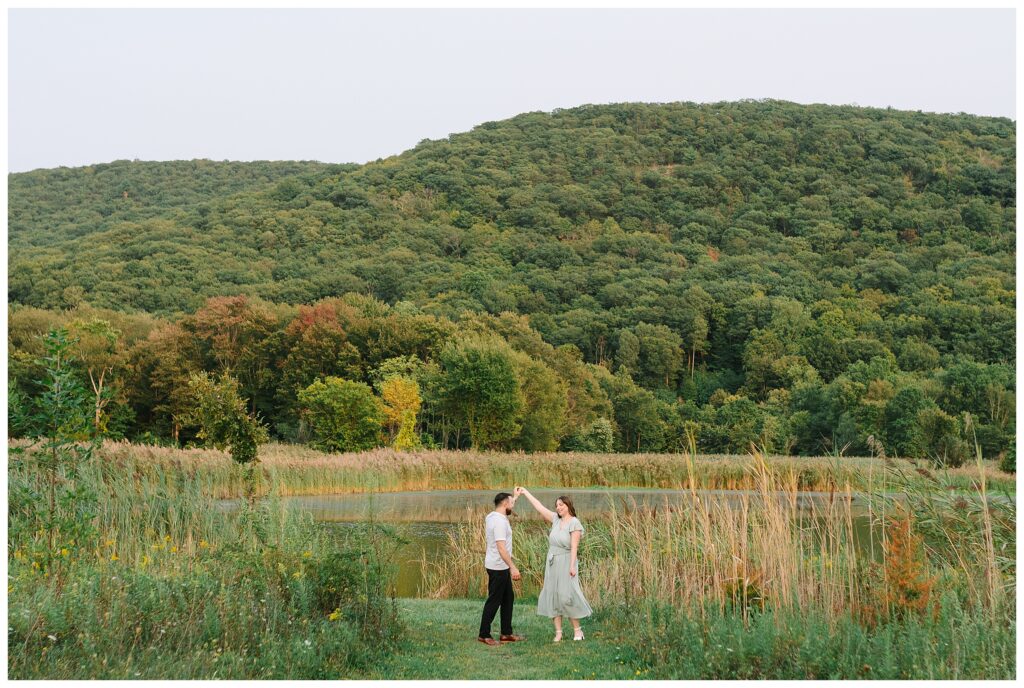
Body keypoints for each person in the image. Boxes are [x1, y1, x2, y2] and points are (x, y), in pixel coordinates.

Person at [515, 487, 592, 641]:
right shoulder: (556, 520)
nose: (558, 508)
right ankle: (558, 632)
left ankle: (578, 631)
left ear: (568, 505)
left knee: (566, 596)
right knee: (553, 595)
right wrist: (525, 492)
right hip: (552, 561)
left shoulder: (574, 523)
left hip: (567, 561)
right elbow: (539, 507)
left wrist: (572, 566)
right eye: (556, 505)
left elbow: (574, 547)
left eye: (561, 505)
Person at [477, 491, 526, 645]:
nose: (513, 506)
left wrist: (515, 497)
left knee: (508, 598)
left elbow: (507, 506)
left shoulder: (492, 516)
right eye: (511, 503)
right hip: (499, 567)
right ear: (505, 504)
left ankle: (506, 633)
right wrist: (513, 567)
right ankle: (484, 634)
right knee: (494, 601)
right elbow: (501, 548)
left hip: (498, 565)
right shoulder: (499, 522)